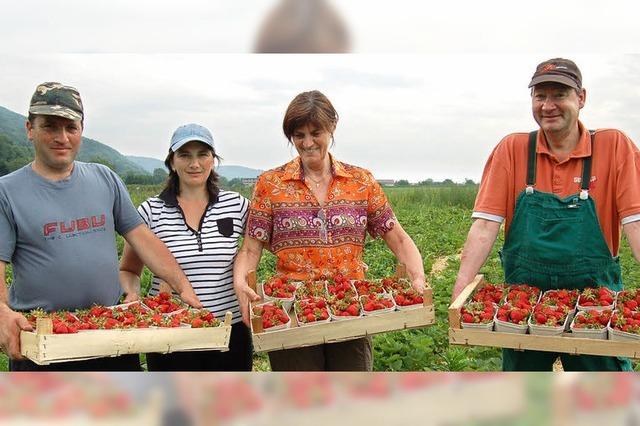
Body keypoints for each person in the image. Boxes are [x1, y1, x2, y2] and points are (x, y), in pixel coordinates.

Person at [452, 58, 640, 371]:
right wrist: (460, 289)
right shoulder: (512, 149)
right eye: (540, 96)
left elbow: (636, 223)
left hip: (595, 303)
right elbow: (485, 225)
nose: (548, 105)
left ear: (581, 98)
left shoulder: (613, 146)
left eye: (559, 95)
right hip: (522, 305)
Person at [0, 82, 202, 371]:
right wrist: (2, 313)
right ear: (30, 129)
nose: (62, 137)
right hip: (44, 341)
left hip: (110, 334)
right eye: (50, 127)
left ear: (82, 129)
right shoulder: (7, 192)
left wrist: (183, 287)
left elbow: (143, 238)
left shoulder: (104, 178)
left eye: (71, 127)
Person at [233, 90, 426, 371]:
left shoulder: (360, 181)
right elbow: (251, 248)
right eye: (298, 135)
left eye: (316, 132)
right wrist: (241, 283)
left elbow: (395, 235)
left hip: (351, 305)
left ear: (332, 126)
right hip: (293, 312)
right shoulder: (270, 184)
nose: (307, 142)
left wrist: (417, 276)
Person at [119, 123, 252, 371]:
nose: (194, 164)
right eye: (185, 155)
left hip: (229, 329)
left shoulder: (237, 205)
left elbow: (255, 248)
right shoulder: (151, 211)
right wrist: (132, 293)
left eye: (203, 154)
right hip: (171, 331)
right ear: (172, 161)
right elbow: (129, 270)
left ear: (213, 159)